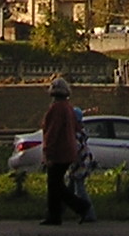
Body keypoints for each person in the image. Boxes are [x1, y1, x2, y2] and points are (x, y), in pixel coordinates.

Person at [38, 77, 92, 226]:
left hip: (58, 152)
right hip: (69, 150)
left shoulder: (56, 109)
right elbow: (76, 127)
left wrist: (47, 152)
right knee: (57, 184)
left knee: (55, 185)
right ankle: (55, 215)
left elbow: (52, 132)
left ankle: (80, 207)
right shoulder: (68, 107)